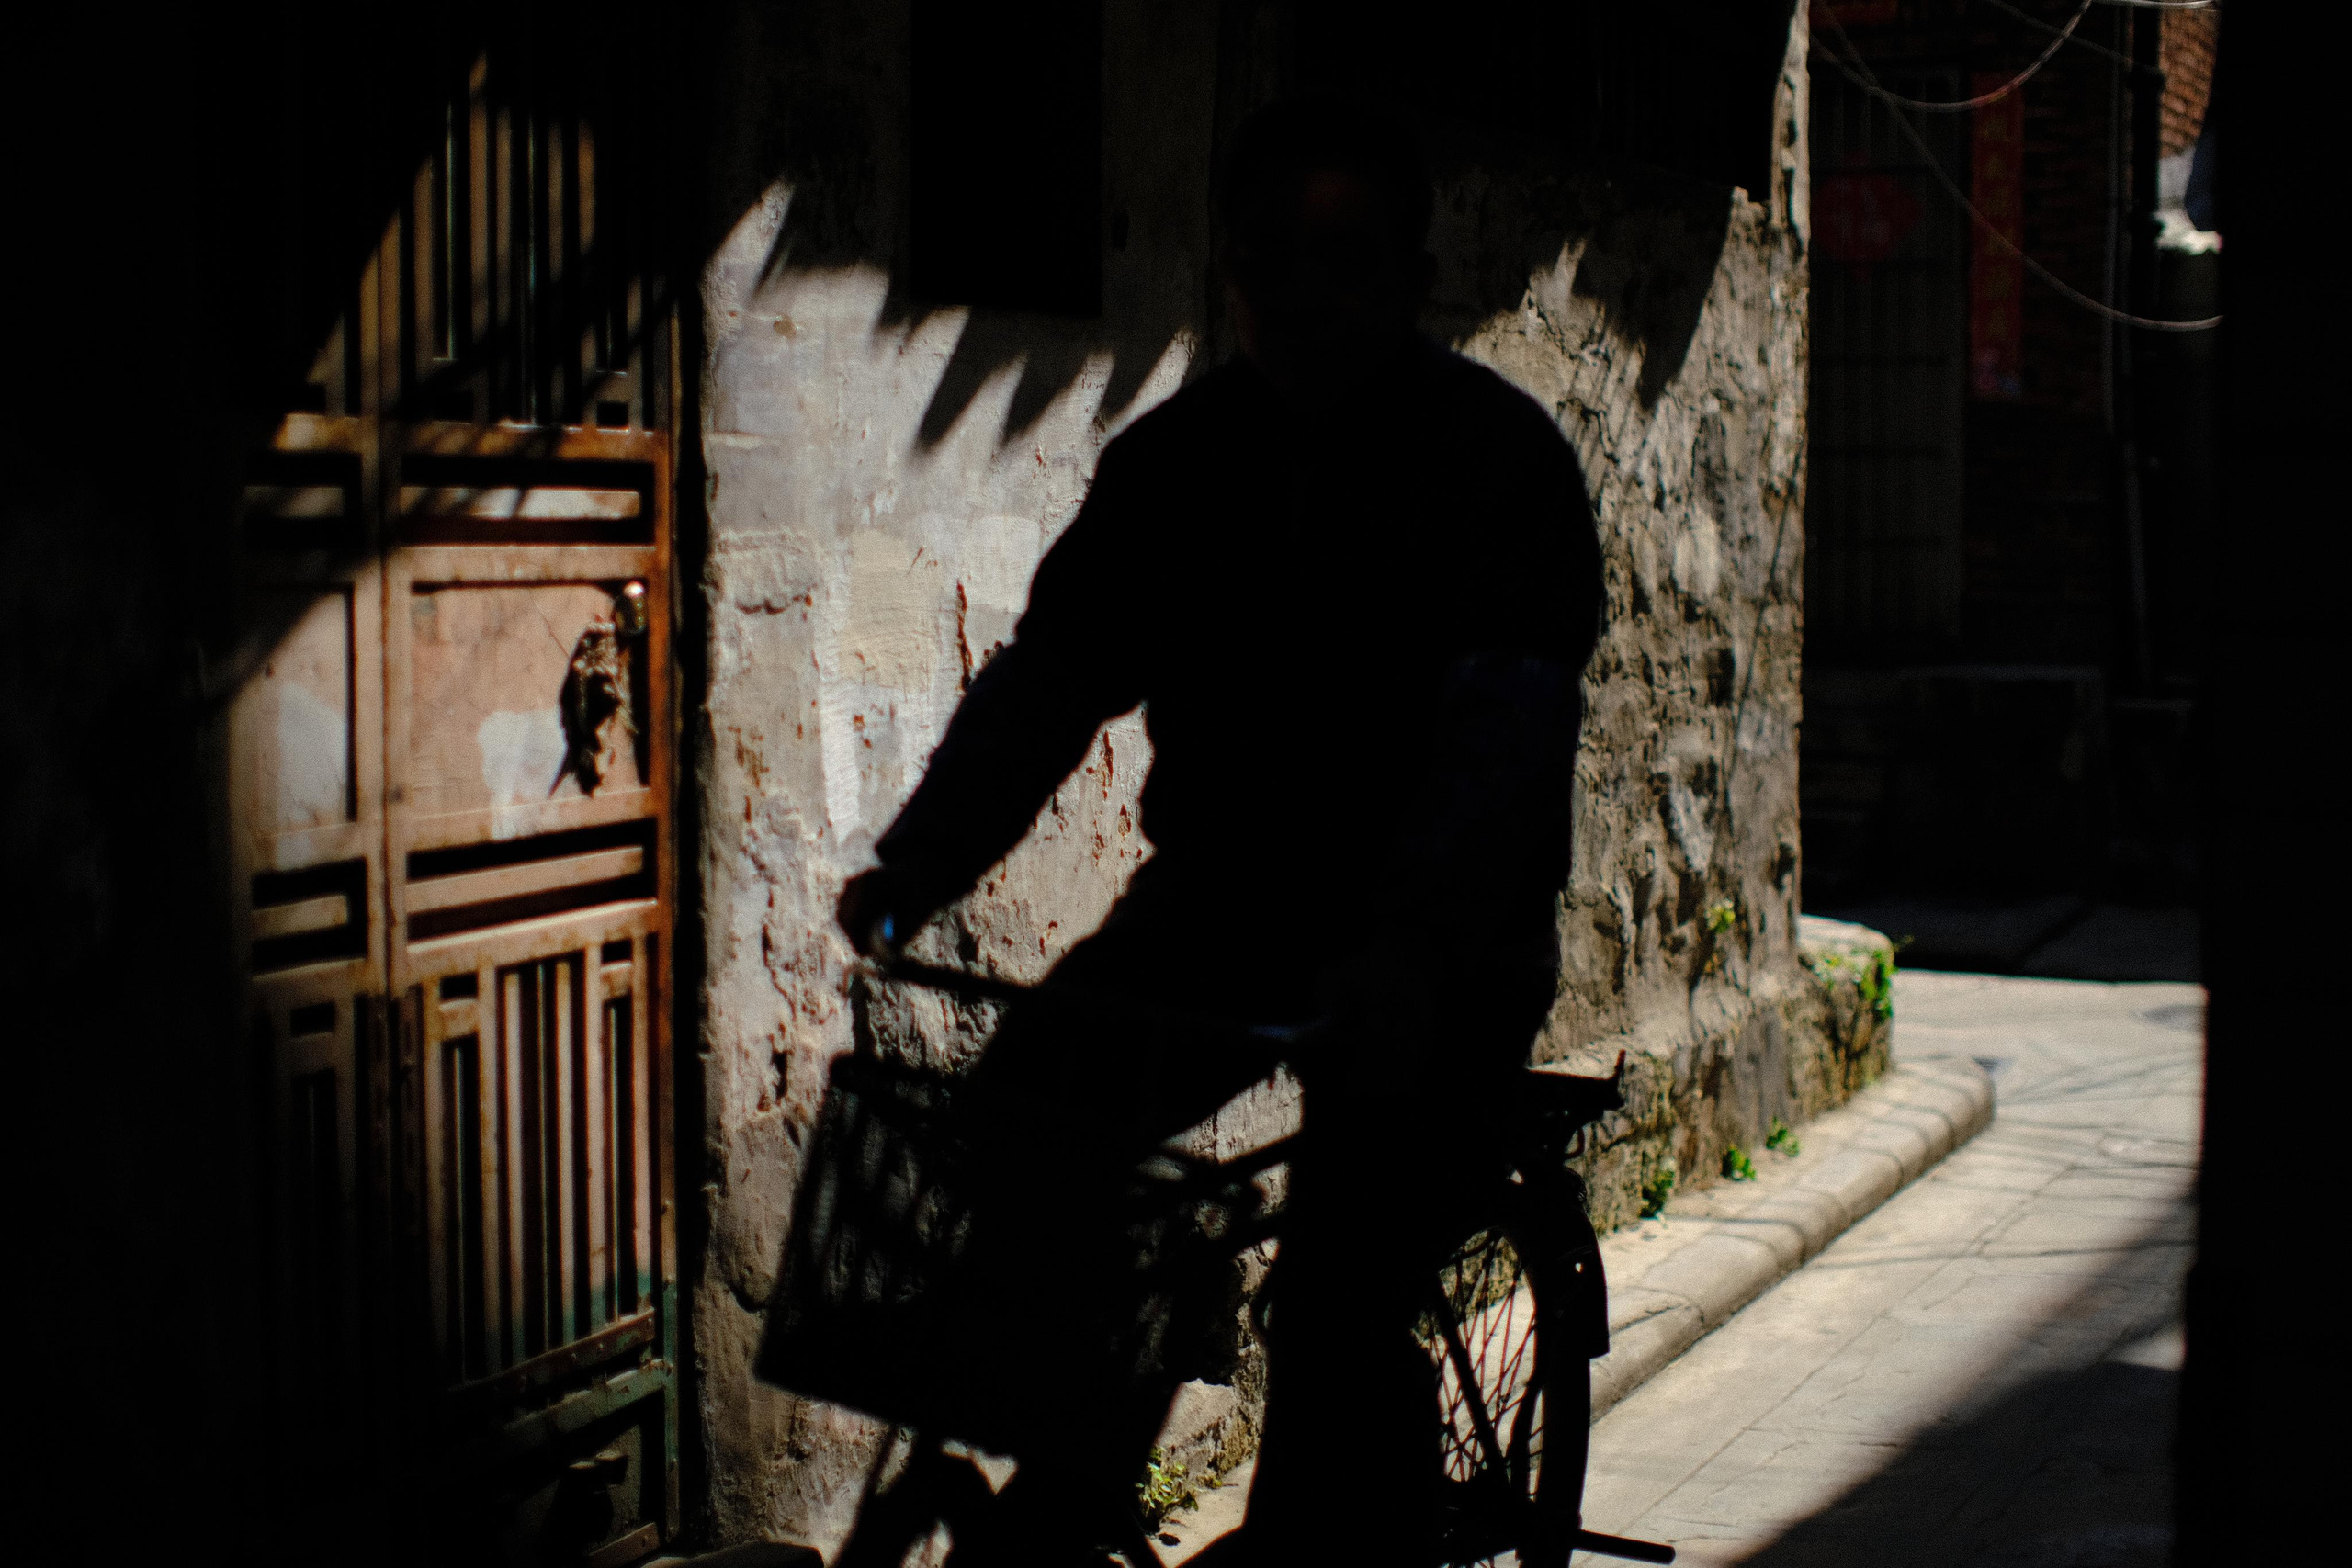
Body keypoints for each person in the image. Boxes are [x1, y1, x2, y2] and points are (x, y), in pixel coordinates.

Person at [835, 97, 1603, 1566]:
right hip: (1228, 911)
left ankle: (1351, 1521)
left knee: (1338, 1291)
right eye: (1266, 262)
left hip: (1440, 959)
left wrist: (1416, 946)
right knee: (1028, 1120)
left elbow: (1502, 740)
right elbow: (1053, 680)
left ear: (1412, 277)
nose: (1300, 298)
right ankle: (1077, 1480)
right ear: (1230, 274)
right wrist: (922, 861)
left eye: (1343, 260)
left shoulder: (1497, 466)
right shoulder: (1177, 467)